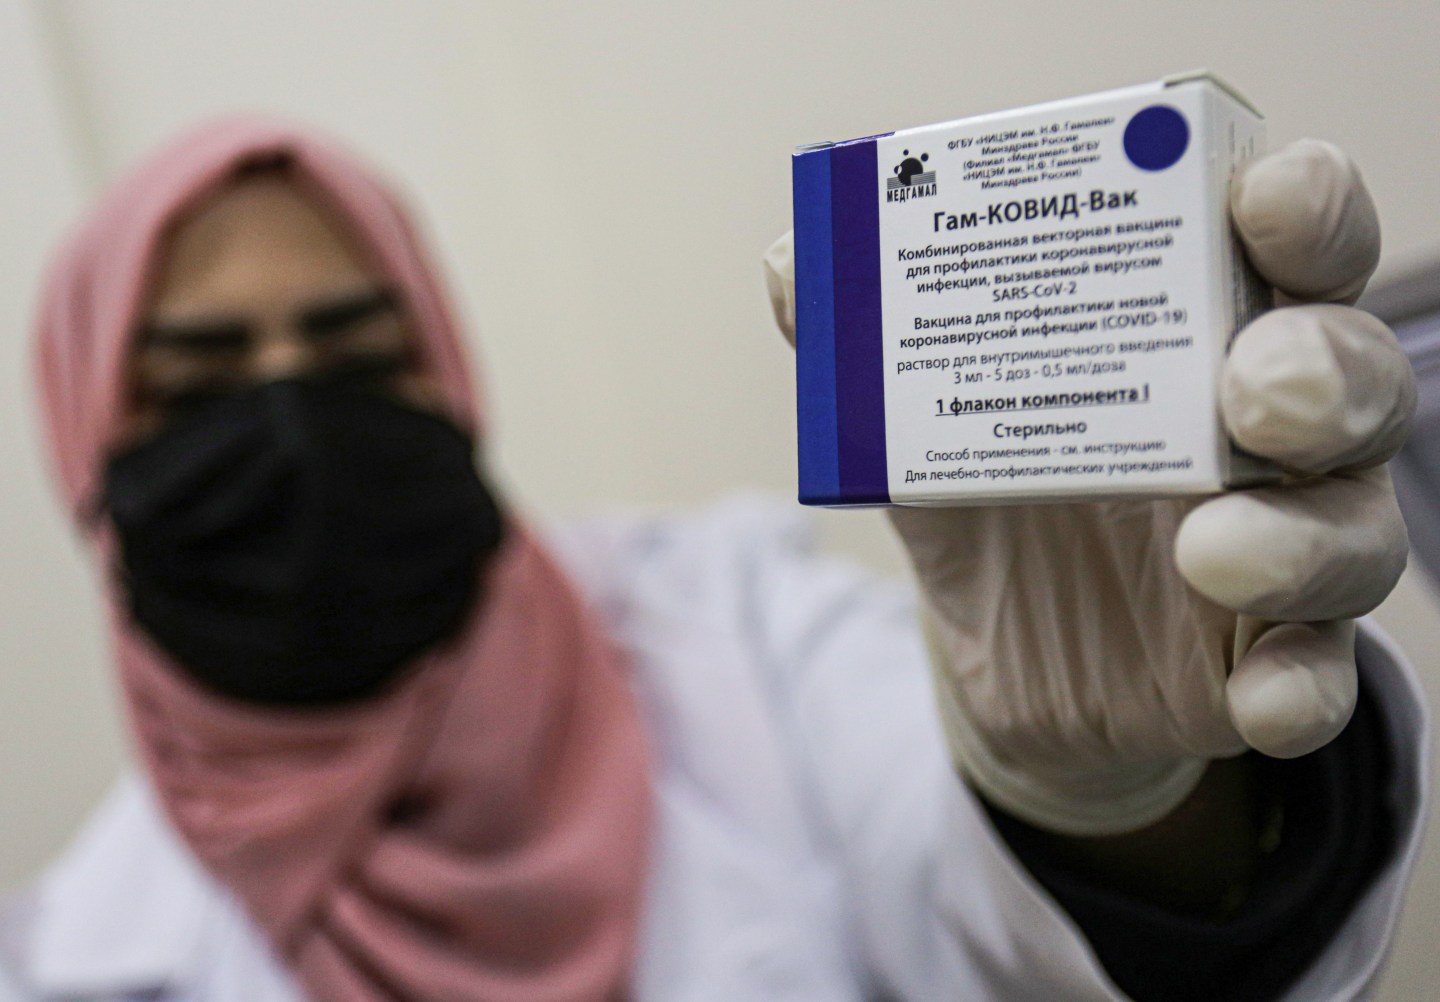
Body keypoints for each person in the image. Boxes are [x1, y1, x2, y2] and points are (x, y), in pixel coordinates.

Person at [0, 117, 1426, 1001]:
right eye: (199, 388)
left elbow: (978, 892)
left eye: (362, 356)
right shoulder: (61, 959)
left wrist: (1114, 799)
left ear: (449, 378)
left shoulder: (729, 631)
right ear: (84, 457)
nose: (295, 423)